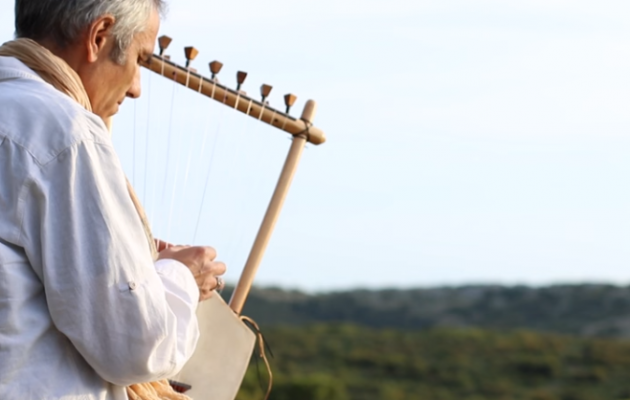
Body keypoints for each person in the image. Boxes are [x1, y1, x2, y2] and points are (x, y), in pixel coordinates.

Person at [0, 0, 225, 399]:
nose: (137, 87)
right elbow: (132, 345)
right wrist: (179, 278)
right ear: (99, 36)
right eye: (140, 58)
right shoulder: (64, 133)